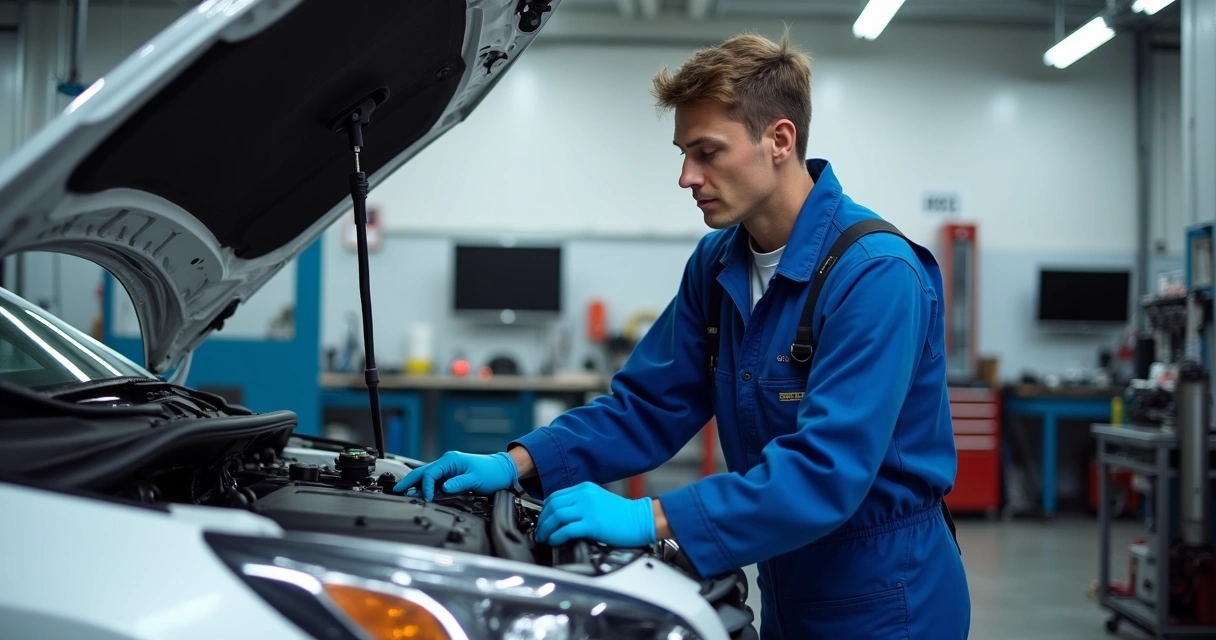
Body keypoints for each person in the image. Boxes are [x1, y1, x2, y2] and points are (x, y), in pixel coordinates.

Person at [396, 31, 971, 639]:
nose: (686, 177)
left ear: (779, 139)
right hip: (786, 575)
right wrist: (514, 463)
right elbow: (649, 406)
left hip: (886, 593)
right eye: (682, 153)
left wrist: (654, 516)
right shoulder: (718, 262)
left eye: (707, 152)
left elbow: (827, 471)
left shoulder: (875, 275)